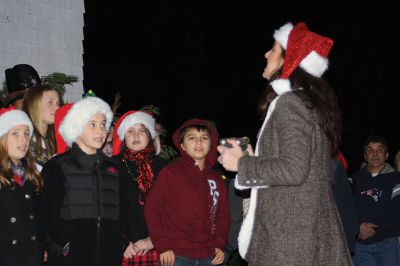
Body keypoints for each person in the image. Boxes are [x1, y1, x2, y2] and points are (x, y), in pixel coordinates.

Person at [217, 22, 351, 265]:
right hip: (302, 233)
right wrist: (253, 157)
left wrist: (242, 164)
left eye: (273, 49)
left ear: (288, 59)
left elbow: (294, 169)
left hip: (291, 238)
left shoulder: (291, 104)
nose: (266, 54)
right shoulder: (306, 102)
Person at [34, 96, 127, 265]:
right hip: (70, 259)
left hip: (108, 258)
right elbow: (43, 214)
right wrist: (59, 246)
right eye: (92, 124)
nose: (100, 131)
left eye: (103, 124)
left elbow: (124, 210)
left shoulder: (114, 168)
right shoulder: (57, 166)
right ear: (77, 126)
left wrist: (120, 242)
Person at [144, 118, 230, 266]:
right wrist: (162, 245)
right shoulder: (170, 173)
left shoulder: (216, 180)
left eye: (204, 138)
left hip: (209, 255)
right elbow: (152, 210)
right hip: (176, 254)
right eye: (192, 138)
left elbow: (223, 217)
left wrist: (219, 245)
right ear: (182, 145)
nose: (199, 142)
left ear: (211, 144)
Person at [112, 110, 169, 266]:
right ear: (124, 138)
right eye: (130, 131)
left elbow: (173, 210)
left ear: (150, 135)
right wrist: (121, 242)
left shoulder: (165, 168)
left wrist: (154, 240)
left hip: (158, 246)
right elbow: (105, 209)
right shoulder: (110, 166)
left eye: (141, 131)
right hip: (123, 248)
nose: (136, 135)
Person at [0, 106, 43, 265]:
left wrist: (43, 245)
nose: (23, 139)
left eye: (26, 133)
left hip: (32, 257)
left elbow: (39, 217)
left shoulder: (32, 175)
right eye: (15, 133)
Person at [351, 135, 400, 266]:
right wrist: (358, 227)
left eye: (380, 150)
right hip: (360, 246)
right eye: (370, 150)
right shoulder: (354, 179)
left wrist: (372, 230)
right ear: (365, 156)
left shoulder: (396, 179)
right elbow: (346, 208)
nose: (375, 154)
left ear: (387, 155)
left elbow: (395, 212)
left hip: (387, 245)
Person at [23, 85, 61, 167]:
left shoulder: (59, 137)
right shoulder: (24, 141)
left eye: (58, 103)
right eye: (50, 102)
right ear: (34, 105)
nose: (57, 107)